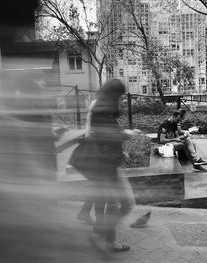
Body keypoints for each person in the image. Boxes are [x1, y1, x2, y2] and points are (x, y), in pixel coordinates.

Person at [84, 79, 138, 252]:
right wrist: (126, 134)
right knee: (125, 204)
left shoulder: (103, 110)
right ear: (113, 94)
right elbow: (103, 136)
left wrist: (121, 152)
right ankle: (107, 238)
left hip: (109, 163)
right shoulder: (101, 110)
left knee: (113, 203)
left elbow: (104, 138)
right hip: (106, 166)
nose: (121, 100)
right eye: (120, 96)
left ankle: (104, 234)